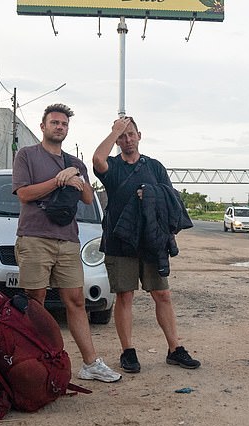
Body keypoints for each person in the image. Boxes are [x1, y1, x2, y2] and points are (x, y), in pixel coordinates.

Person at [12, 103, 121, 383]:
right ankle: (36, 361)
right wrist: (58, 181)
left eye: (64, 124)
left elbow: (86, 198)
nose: (59, 127)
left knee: (75, 301)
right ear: (43, 126)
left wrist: (76, 177)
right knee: (35, 302)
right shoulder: (26, 155)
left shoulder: (76, 163)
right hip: (35, 237)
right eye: (55, 123)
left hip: (67, 240)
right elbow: (24, 194)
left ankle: (90, 364)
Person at [92, 116, 201, 373]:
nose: (127, 140)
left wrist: (151, 194)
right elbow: (97, 160)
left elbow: (172, 200)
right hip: (120, 242)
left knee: (162, 294)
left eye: (130, 134)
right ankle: (128, 352)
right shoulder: (114, 166)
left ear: (140, 135)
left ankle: (175, 348)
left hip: (151, 241)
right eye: (122, 136)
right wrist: (113, 131)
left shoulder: (154, 167)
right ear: (117, 140)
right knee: (125, 296)